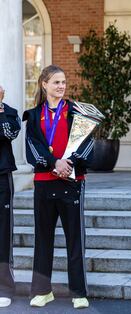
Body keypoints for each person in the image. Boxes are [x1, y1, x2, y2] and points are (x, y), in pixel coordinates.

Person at [23, 65, 93, 309]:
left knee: (75, 240)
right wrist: (55, 163)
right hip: (44, 184)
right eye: (56, 82)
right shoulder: (33, 116)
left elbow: (87, 145)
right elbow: (32, 148)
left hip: (72, 183)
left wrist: (69, 163)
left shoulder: (77, 111)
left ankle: (79, 292)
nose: (61, 86)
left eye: (63, 82)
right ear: (44, 84)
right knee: (43, 239)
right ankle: (42, 291)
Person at [0, 85, 21, 307]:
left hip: (2, 178)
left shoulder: (10, 112)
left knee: (3, 232)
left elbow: (10, 132)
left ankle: (4, 287)